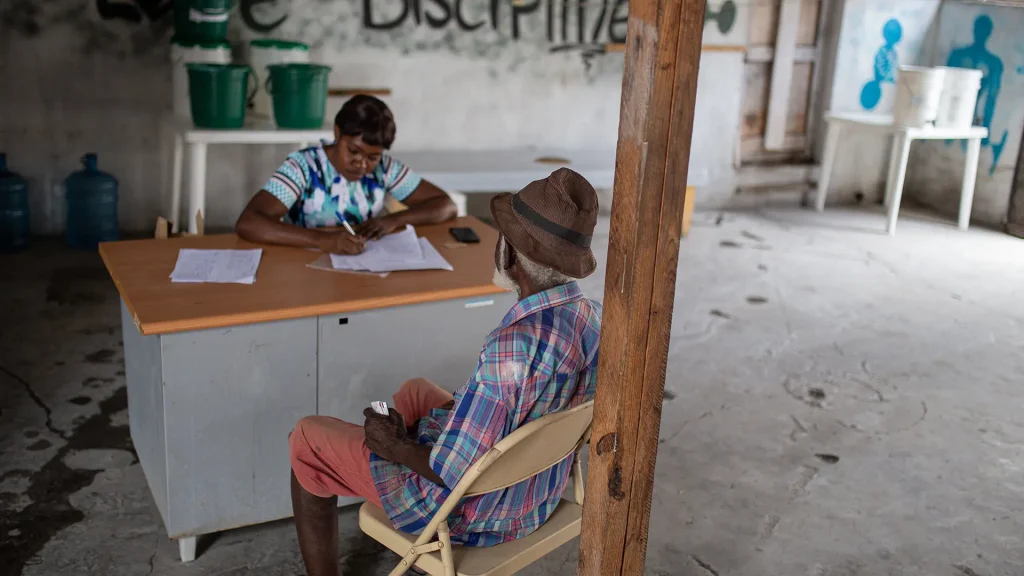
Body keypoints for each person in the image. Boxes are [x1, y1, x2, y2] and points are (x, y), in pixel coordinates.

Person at [288, 167, 603, 576]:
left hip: (477, 513)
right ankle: (396, 453)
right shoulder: (590, 318)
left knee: (306, 438)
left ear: (508, 253)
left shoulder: (511, 348)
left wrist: (396, 448)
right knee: (416, 391)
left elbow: (449, 473)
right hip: (536, 495)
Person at [235, 95, 457, 254]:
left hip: (364, 268)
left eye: (372, 157)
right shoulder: (303, 166)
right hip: (304, 266)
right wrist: (322, 240)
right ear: (337, 133)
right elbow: (249, 222)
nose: (361, 164)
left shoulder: (385, 169)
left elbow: (446, 205)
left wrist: (393, 220)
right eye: (353, 151)